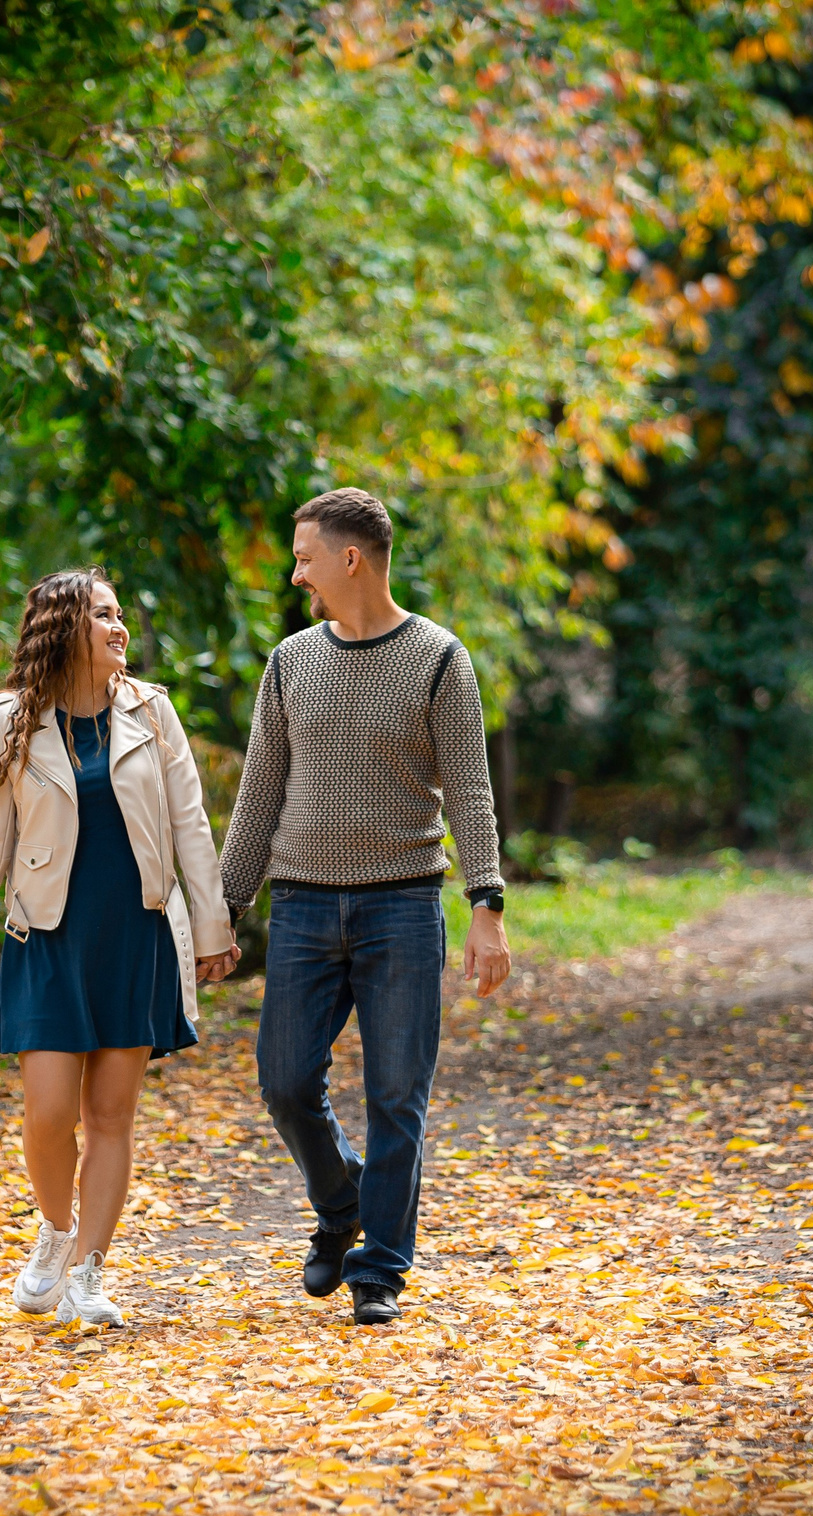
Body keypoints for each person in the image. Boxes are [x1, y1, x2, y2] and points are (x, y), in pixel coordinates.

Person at [218, 487, 512, 1327]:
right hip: (304, 907)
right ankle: (342, 1200)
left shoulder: (438, 658)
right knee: (284, 1082)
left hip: (402, 908)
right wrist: (223, 910)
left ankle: (380, 1265)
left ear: (352, 559)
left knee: (397, 1097)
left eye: (306, 556)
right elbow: (258, 796)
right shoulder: (291, 661)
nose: (296, 572)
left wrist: (484, 904)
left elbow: (472, 794)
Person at [0, 569, 238, 1328]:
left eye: (119, 614)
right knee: (45, 1112)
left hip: (135, 936)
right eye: (103, 615)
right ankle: (56, 1233)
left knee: (110, 1116)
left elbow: (191, 827)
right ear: (66, 627)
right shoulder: (10, 720)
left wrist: (213, 928)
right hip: (47, 936)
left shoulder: (152, 712)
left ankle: (91, 1273)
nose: (119, 627)